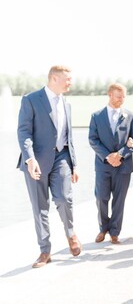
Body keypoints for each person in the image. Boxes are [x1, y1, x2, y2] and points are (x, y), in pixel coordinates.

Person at [17, 66, 82, 268]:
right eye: (67, 79)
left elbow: (68, 137)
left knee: (63, 198)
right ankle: (45, 250)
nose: (70, 82)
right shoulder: (31, 100)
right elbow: (24, 132)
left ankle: (71, 234)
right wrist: (30, 159)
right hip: (35, 161)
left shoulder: (66, 103)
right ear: (54, 78)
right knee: (40, 207)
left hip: (61, 158)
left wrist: (74, 164)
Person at [89, 83, 133, 244]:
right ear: (110, 95)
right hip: (103, 165)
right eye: (119, 96)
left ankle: (115, 231)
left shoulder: (131, 116)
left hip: (123, 166)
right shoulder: (96, 116)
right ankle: (103, 228)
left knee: (119, 200)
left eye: (124, 96)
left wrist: (120, 155)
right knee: (101, 198)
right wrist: (108, 156)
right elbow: (93, 140)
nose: (122, 100)